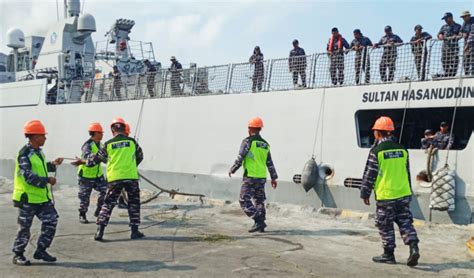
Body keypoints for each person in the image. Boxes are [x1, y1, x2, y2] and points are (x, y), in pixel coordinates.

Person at [360, 116, 420, 266]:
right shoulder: (402, 149)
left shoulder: (377, 151)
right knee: (405, 221)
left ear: (378, 133)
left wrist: (365, 193)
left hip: (386, 195)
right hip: (403, 193)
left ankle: (388, 255)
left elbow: (370, 174)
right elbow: (407, 172)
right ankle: (413, 247)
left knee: (385, 224)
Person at [73, 117, 144, 240]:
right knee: (133, 204)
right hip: (131, 178)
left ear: (112, 130)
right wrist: (130, 166)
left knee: (108, 204)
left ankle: (99, 232)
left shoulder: (108, 144)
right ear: (124, 128)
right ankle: (134, 231)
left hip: (114, 178)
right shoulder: (132, 142)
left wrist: (82, 162)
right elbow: (140, 156)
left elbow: (94, 161)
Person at [12, 120, 64, 265]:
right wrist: (47, 180)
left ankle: (40, 250)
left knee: (51, 221)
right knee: (24, 229)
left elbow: (40, 168)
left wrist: (53, 164)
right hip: (27, 199)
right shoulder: (24, 154)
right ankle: (18, 254)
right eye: (43, 135)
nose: (45, 138)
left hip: (41, 198)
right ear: (35, 136)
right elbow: (28, 176)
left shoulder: (38, 152)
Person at [228, 117, 278, 233]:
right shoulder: (265, 144)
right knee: (259, 200)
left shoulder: (247, 141)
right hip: (261, 178)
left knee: (243, 200)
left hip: (250, 177)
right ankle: (259, 224)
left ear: (250, 129)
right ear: (260, 129)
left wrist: (233, 169)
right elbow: (269, 162)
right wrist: (274, 177)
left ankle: (259, 220)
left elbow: (240, 158)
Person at [75, 123, 107, 224]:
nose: (102, 134)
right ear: (95, 133)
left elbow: (105, 158)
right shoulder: (87, 145)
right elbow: (89, 160)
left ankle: (99, 209)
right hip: (86, 175)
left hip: (98, 175)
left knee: (105, 191)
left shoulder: (101, 145)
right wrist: (99, 158)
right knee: (85, 197)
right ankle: (82, 214)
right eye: (100, 132)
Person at [438, 12, 462, 77]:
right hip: (445, 47)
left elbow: (461, 35)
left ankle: (452, 75)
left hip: (454, 48)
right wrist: (441, 36)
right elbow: (439, 34)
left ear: (451, 18)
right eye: (444, 19)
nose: (445, 20)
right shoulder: (443, 27)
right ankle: (447, 74)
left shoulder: (458, 26)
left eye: (446, 18)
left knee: (454, 62)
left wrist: (455, 37)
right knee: (444, 61)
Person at [461, 11, 474, 75]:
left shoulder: (473, 22)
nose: (463, 18)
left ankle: (472, 73)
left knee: (472, 58)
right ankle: (466, 73)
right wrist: (463, 34)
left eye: (464, 17)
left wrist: (467, 45)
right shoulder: (464, 23)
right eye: (463, 17)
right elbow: (460, 31)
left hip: (472, 44)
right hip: (466, 43)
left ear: (468, 16)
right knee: (466, 59)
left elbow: (472, 34)